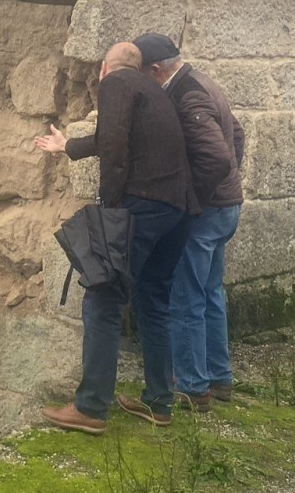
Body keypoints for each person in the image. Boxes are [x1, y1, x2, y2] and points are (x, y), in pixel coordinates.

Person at [34, 42, 191, 434]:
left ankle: (90, 407)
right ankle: (159, 402)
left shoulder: (116, 83)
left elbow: (115, 147)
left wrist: (111, 211)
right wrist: (67, 145)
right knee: (152, 299)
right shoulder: (154, 90)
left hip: (143, 205)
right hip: (178, 210)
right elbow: (110, 139)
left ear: (105, 68)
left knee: (102, 298)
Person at [133, 33, 245, 411]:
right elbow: (237, 136)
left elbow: (217, 157)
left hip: (206, 212)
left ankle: (193, 388)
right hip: (225, 207)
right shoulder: (203, 82)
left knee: (186, 299)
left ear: (154, 70)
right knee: (211, 293)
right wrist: (226, 188)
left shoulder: (187, 94)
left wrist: (193, 200)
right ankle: (219, 377)